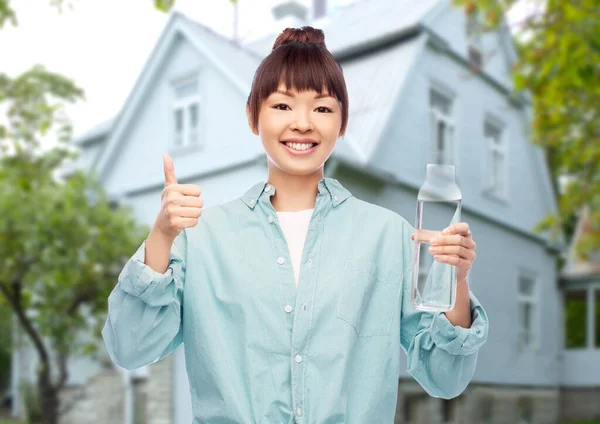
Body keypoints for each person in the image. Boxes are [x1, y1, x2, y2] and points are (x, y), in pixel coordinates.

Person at [102, 26, 489, 423]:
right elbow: (129, 348)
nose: (302, 124)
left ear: (342, 123)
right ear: (253, 116)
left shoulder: (388, 235)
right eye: (283, 106)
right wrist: (162, 235)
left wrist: (456, 281)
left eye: (322, 108)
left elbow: (445, 379)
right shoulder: (202, 239)